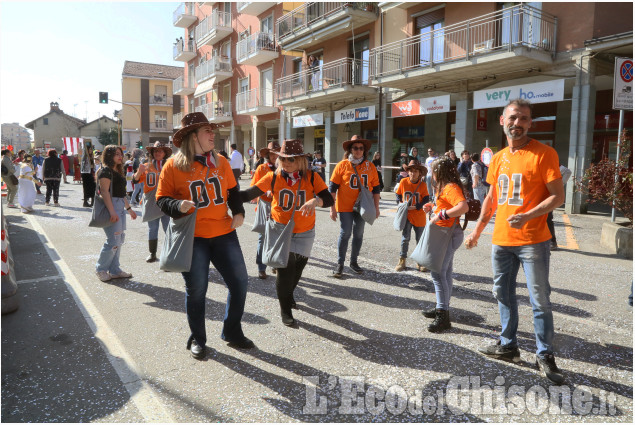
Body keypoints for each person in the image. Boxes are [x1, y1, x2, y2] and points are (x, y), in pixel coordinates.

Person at [465, 99, 565, 384]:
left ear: (530, 123)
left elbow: (557, 196)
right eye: (513, 118)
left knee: (540, 300)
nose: (517, 123)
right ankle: (508, 344)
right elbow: (491, 198)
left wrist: (528, 216)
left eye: (523, 119)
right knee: (503, 294)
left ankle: (544, 354)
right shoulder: (496, 158)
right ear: (502, 121)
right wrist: (477, 231)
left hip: (533, 240)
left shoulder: (544, 153)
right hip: (502, 240)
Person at [156, 112, 254, 359]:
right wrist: (177, 206)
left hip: (223, 232)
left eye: (212, 130)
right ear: (193, 137)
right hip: (193, 237)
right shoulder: (173, 165)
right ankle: (197, 338)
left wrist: (239, 211)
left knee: (240, 283)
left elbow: (232, 190)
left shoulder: (220, 161)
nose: (213, 134)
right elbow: (161, 199)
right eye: (207, 131)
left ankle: (231, 331)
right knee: (197, 290)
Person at [241, 139, 334, 326]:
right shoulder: (273, 177)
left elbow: (328, 199)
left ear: (300, 160)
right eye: (283, 159)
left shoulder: (313, 177)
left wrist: (315, 201)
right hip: (280, 229)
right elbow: (248, 194)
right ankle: (285, 310)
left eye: (291, 159)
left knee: (298, 269)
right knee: (285, 269)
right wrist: (227, 197)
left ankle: (289, 294)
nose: (287, 162)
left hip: (305, 230)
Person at [421, 156, 468, 332]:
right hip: (446, 233)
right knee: (445, 272)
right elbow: (447, 206)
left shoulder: (450, 187)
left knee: (438, 273)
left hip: (447, 234)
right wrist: (433, 207)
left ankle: (443, 315)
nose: (431, 174)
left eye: (433, 170)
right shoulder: (446, 187)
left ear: (439, 172)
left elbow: (463, 207)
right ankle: (442, 308)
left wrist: (441, 215)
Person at [329, 135, 380, 277]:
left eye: (361, 148)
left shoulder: (370, 167)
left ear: (364, 151)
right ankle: (340, 263)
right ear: (350, 150)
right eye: (355, 148)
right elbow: (332, 188)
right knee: (345, 233)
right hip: (345, 206)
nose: (358, 151)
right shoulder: (342, 165)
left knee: (359, 233)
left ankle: (353, 262)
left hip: (362, 206)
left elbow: (376, 189)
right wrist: (332, 208)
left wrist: (376, 208)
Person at [95, 145, 138, 282]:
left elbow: (121, 193)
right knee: (113, 240)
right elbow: (104, 192)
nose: (121, 156)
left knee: (119, 240)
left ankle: (115, 270)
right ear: (109, 156)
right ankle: (100, 269)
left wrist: (129, 209)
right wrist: (112, 211)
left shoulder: (117, 171)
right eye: (117, 154)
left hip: (119, 206)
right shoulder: (106, 171)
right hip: (111, 207)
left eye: (121, 154)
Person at [134, 141, 173, 263]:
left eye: (160, 151)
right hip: (151, 202)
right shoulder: (146, 166)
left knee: (169, 229)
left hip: (167, 201)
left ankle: (169, 255)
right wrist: (139, 172)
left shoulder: (171, 166)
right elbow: (135, 180)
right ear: (152, 153)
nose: (158, 153)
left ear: (165, 153)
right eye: (156, 151)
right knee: (153, 229)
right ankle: (152, 253)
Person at [249, 141, 280, 279]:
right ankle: (261, 267)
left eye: (276, 153)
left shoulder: (284, 168)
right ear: (267, 155)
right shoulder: (262, 168)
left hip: (280, 208)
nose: (274, 156)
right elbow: (253, 187)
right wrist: (264, 191)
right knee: (263, 237)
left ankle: (275, 264)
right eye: (272, 153)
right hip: (265, 206)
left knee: (278, 237)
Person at [395, 160, 430, 272]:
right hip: (407, 215)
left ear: (419, 173)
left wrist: (417, 206)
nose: (413, 173)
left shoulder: (423, 185)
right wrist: (401, 205)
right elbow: (398, 195)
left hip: (419, 216)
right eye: (411, 171)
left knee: (419, 239)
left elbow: (425, 199)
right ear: (408, 172)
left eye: (415, 171)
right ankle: (402, 259)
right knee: (405, 238)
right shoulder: (403, 182)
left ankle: (420, 261)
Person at [546, 164, 572, 250]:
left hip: (547, 195)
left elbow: (567, 172)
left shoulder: (549, 161)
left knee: (547, 219)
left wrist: (559, 185)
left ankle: (552, 242)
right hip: (534, 195)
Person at [80, 142, 96, 207]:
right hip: (86, 174)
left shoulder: (92, 157)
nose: (91, 151)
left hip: (91, 173)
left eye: (91, 150)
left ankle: (93, 202)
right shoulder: (85, 157)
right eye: (89, 150)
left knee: (93, 188)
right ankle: (85, 202)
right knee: (86, 188)